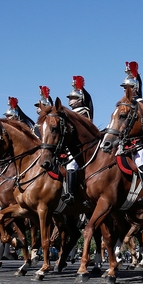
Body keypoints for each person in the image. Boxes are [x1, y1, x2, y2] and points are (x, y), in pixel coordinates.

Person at [121, 61, 143, 203]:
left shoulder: (141, 103)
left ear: (135, 88)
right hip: (125, 139)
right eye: (124, 88)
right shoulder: (123, 104)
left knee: (139, 160)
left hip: (139, 140)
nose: (124, 90)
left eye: (127, 87)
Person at [62, 76, 94, 204]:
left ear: (80, 99)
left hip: (80, 145)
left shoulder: (83, 111)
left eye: (73, 98)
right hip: (67, 145)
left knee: (71, 165)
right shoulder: (68, 113)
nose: (70, 100)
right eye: (70, 98)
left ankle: (71, 194)